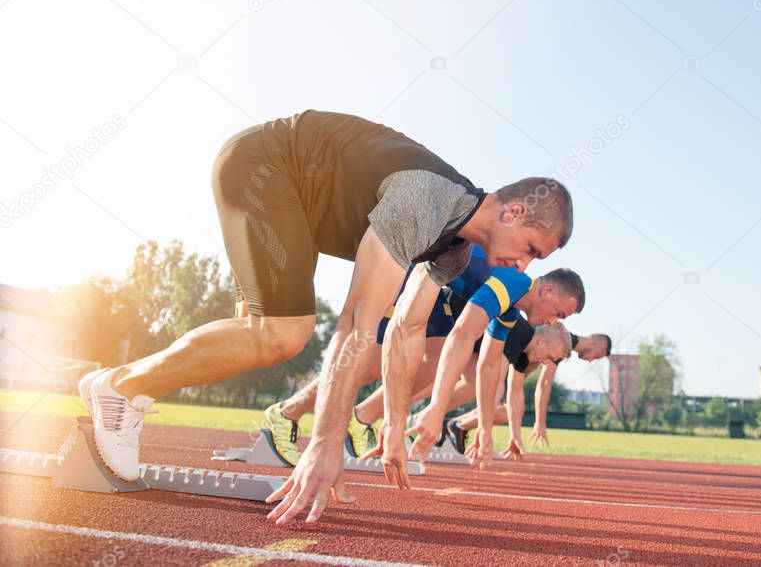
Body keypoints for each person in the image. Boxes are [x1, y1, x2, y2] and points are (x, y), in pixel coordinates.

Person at [77, 110, 573, 526]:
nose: (524, 267)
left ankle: (116, 384)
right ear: (512, 213)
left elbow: (406, 329)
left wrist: (397, 426)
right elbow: (359, 325)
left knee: (263, 334)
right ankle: (119, 392)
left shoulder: (456, 252)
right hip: (265, 167)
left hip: (300, 213)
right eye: (532, 249)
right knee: (283, 334)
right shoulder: (429, 200)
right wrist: (325, 440)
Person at [261, 250, 584, 461]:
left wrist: (484, 428)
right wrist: (436, 410)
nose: (554, 322)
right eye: (559, 313)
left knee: (421, 369)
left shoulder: (510, 311)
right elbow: (464, 336)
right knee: (369, 364)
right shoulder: (514, 283)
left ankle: (360, 420)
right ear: (547, 290)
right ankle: (288, 411)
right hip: (409, 273)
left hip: (435, 292)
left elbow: (487, 366)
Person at [447, 329, 611, 453]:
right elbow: (543, 385)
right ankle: (450, 422)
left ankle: (454, 424)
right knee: (500, 404)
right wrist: (539, 422)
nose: (591, 361)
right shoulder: (559, 341)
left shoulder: (559, 344)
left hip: (510, 369)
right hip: (499, 361)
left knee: (507, 411)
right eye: (596, 356)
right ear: (593, 344)